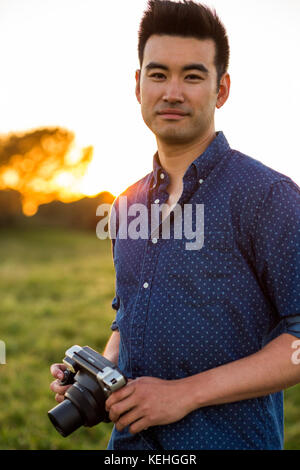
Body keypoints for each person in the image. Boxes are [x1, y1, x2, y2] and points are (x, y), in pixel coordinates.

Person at [50, 0, 300, 450]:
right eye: (159, 74)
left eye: (193, 75)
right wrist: (95, 379)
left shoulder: (267, 196)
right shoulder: (126, 205)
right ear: (138, 84)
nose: (172, 92)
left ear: (221, 89)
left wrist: (184, 395)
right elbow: (126, 322)